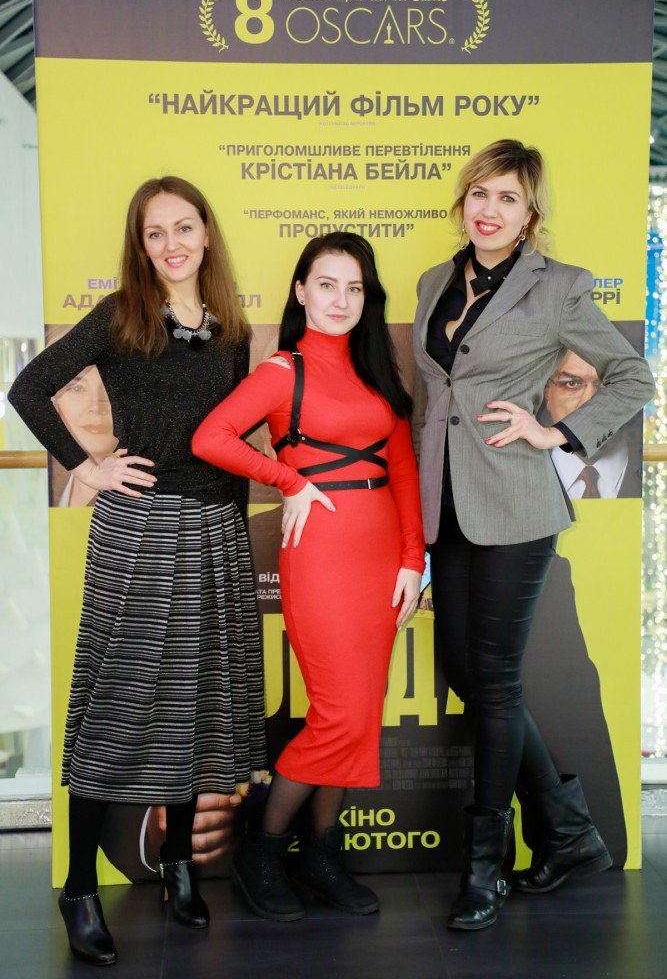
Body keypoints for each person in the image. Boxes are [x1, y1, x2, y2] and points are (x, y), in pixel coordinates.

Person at [8, 176, 267, 965]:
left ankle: (180, 866)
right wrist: (88, 465)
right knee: (118, 708)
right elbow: (27, 388)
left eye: (183, 228)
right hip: (142, 529)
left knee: (197, 704)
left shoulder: (230, 329)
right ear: (141, 245)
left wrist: (244, 518)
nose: (171, 244)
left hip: (217, 531)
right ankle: (79, 887)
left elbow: (233, 440)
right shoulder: (122, 315)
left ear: (206, 233)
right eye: (155, 234)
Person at [411, 139, 655, 931]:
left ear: (529, 215)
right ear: (463, 203)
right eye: (479, 194)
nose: (489, 210)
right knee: (465, 672)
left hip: (515, 504)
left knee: (494, 682)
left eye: (507, 198)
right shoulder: (432, 282)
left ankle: (484, 866)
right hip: (445, 506)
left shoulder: (557, 288)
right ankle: (568, 831)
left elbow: (633, 376)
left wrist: (556, 432)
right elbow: (435, 397)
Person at [192, 231, 425, 922]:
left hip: (383, 558)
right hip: (319, 554)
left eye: (354, 288)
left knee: (360, 716)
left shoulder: (377, 369)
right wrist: (288, 479)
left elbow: (403, 467)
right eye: (327, 285)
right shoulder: (281, 371)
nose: (341, 300)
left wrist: (413, 560)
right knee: (337, 714)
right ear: (300, 292)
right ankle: (262, 850)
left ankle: (320, 855)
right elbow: (210, 438)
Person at [542, 349, 641, 498]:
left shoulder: (655, 474)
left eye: (606, 385)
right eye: (572, 383)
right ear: (548, 393)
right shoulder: (523, 473)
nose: (589, 401)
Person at [50, 362, 118, 505]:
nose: (96, 407)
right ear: (55, 402)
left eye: (110, 388)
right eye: (77, 388)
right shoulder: (47, 488)